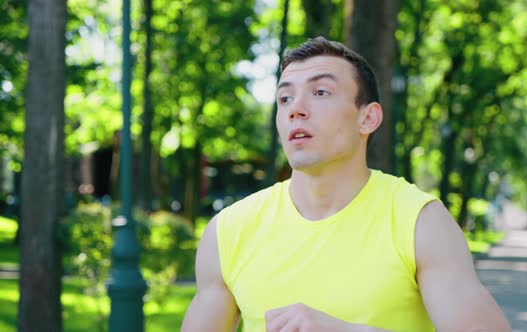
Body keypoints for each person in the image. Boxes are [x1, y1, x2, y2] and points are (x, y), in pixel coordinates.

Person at [181, 37, 510, 332]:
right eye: (284, 99)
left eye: (320, 92)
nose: (296, 109)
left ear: (368, 118)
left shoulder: (419, 221)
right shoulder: (228, 232)